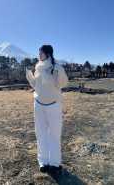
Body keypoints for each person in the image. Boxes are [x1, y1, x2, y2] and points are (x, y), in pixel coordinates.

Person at [26, 44, 68, 175]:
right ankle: (43, 162)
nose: (39, 55)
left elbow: (64, 83)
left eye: (41, 53)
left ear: (48, 54)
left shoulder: (57, 67)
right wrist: (30, 77)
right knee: (40, 133)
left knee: (54, 135)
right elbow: (35, 85)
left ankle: (55, 163)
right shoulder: (37, 68)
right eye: (39, 53)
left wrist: (58, 76)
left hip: (54, 104)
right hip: (38, 104)